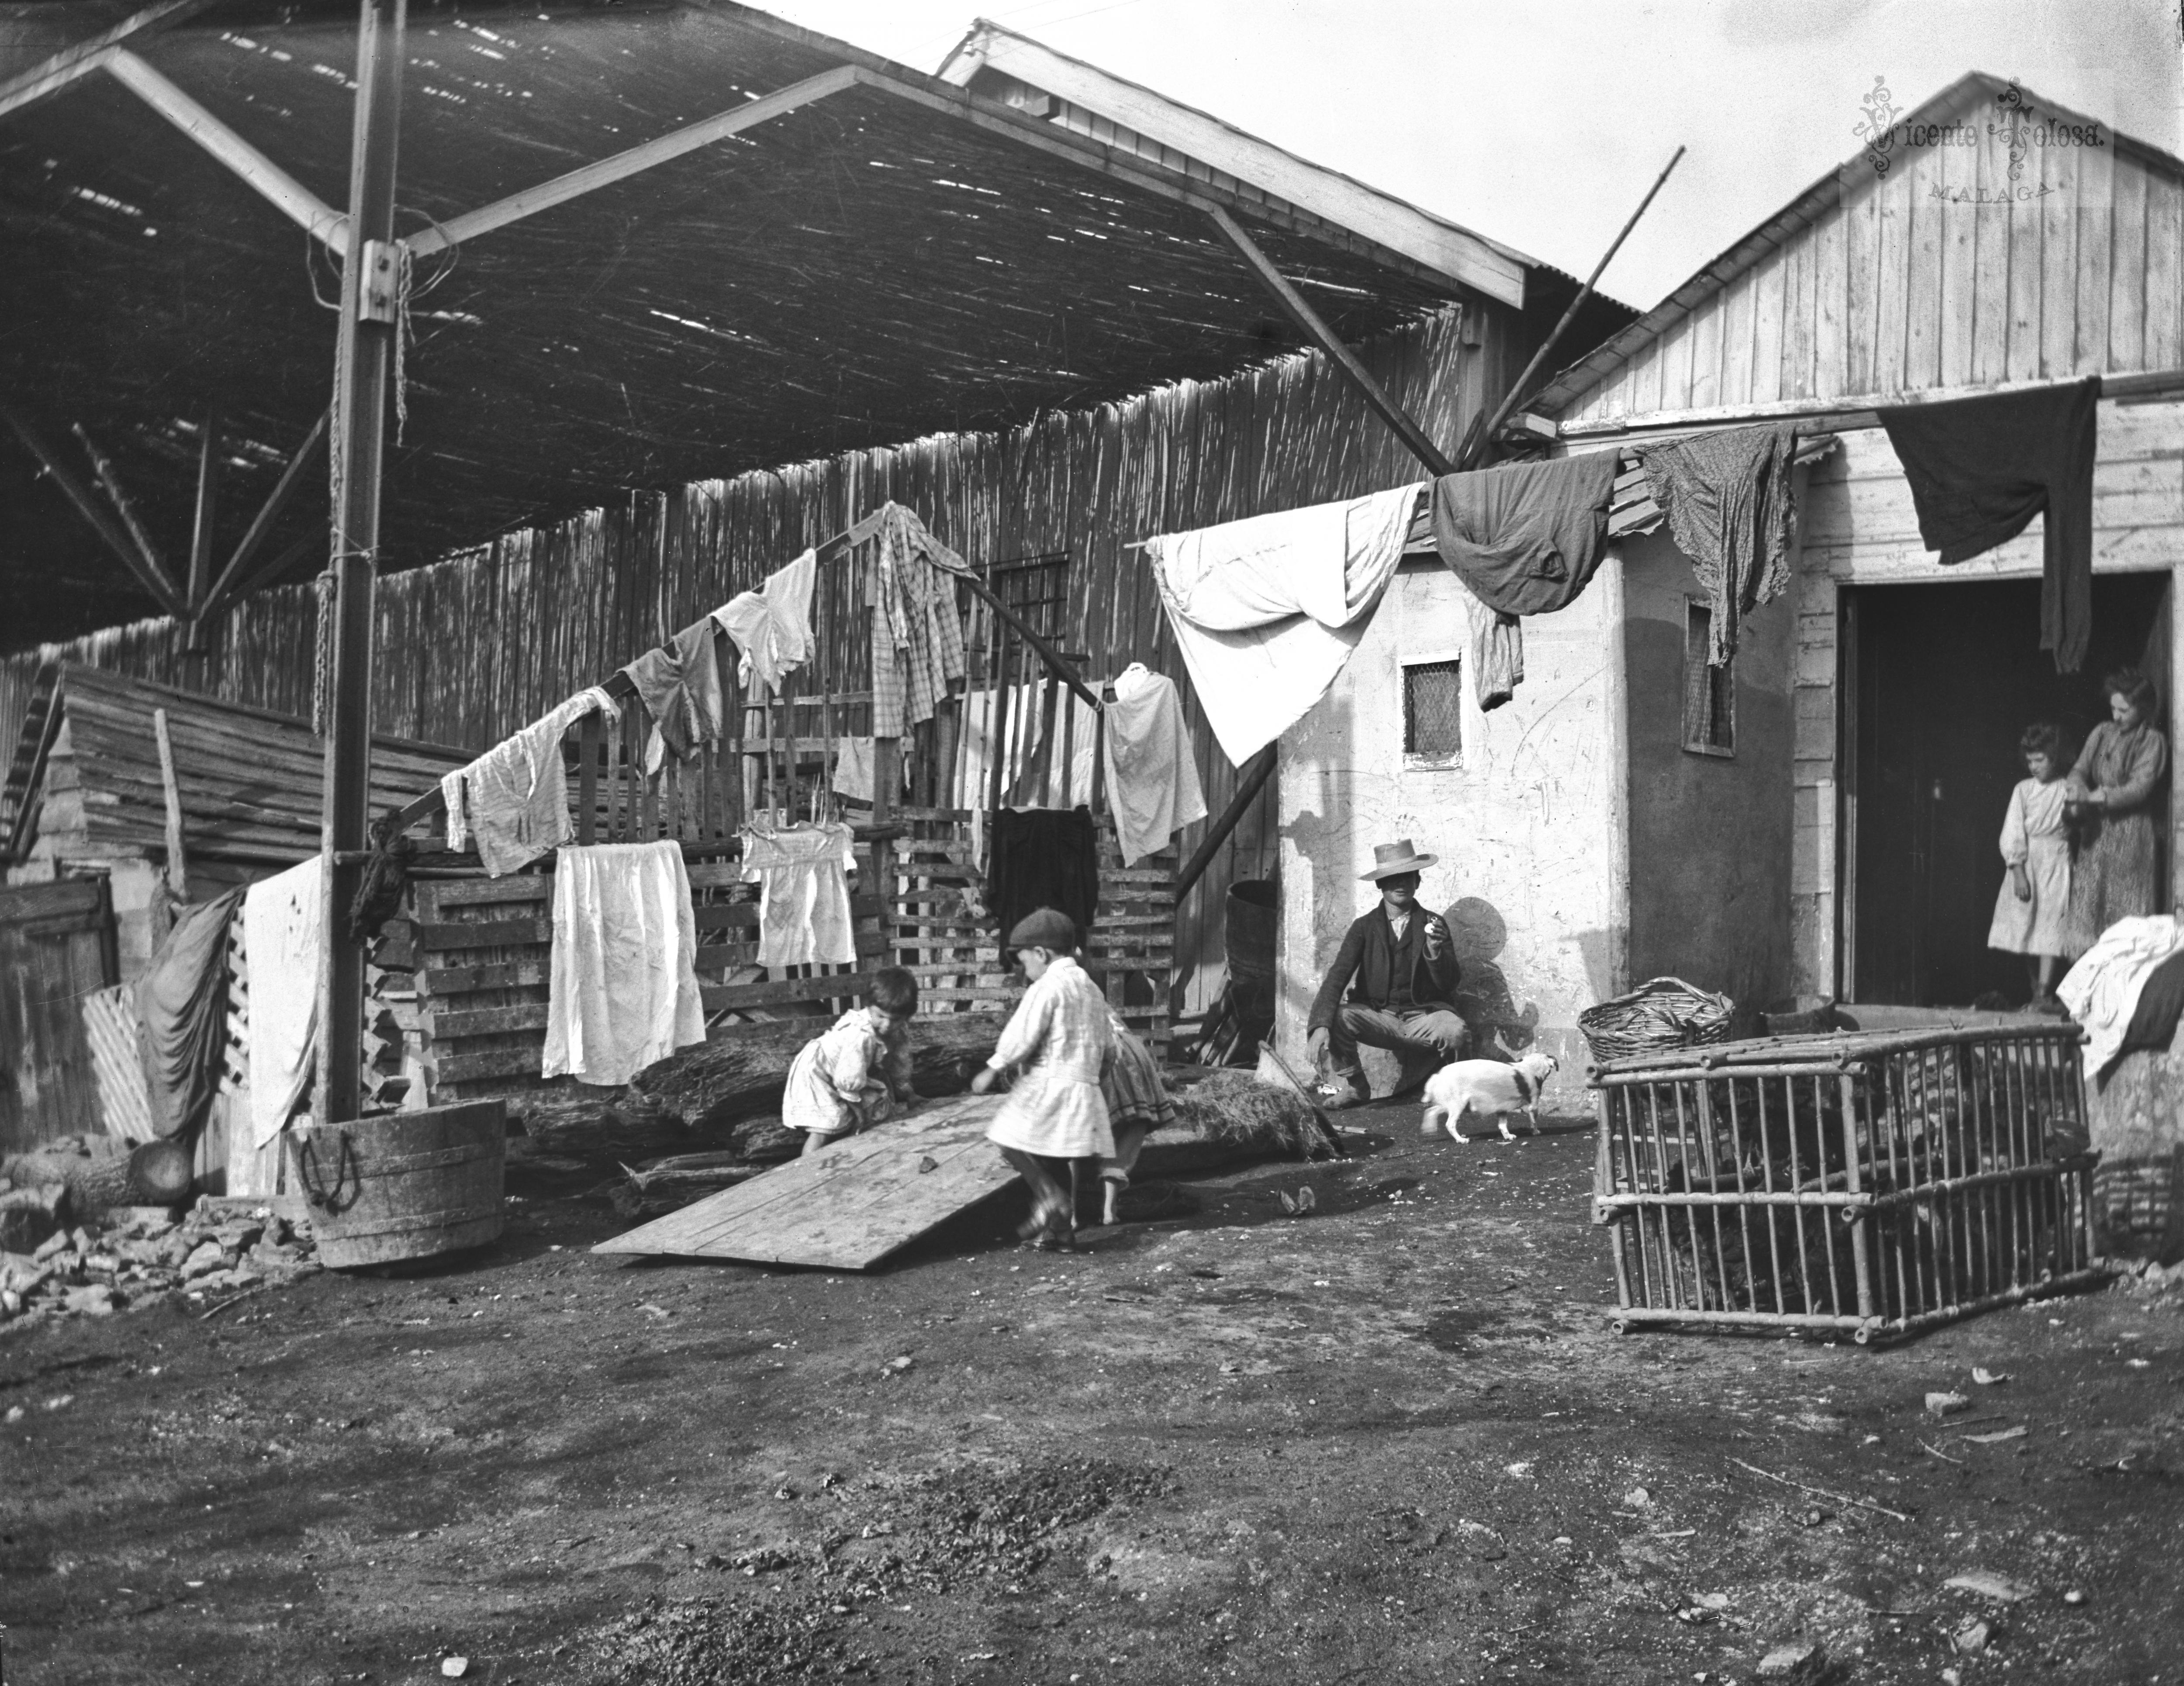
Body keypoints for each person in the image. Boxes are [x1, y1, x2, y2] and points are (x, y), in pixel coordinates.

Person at [971, 907, 1115, 1250]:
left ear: (1041, 954)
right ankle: (1063, 1234)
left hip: (1052, 1080)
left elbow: (1023, 1033)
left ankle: (1052, 1198)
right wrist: (1097, 1079)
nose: (1025, 971)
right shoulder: (1092, 989)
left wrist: (994, 1066)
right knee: (1054, 1156)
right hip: (1084, 1085)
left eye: (1024, 962)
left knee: (1006, 1137)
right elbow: (1110, 1046)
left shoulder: (1048, 987)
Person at [1306, 838, 1469, 1107]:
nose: (1401, 884)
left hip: (1423, 1016)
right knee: (1335, 1016)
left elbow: (1449, 984)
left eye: (1408, 877)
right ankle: (1357, 1087)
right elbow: (1338, 975)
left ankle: (1458, 1092)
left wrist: (1435, 953)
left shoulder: (1435, 924)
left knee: (1455, 1031)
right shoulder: (1364, 927)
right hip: (1379, 1017)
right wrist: (1320, 1025)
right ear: (1380, 885)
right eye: (1393, 879)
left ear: (1418, 882)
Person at [2065, 667, 2169, 954]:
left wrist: (2101, 796)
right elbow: (2079, 770)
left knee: (2125, 909)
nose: (2116, 716)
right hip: (2096, 835)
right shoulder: (2102, 733)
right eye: (2113, 708)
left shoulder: (2152, 741)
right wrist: (2076, 787)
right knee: (2090, 906)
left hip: (2131, 836)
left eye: (2124, 710)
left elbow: (2140, 788)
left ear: (2143, 708)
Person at [1986, 722, 2082, 1007]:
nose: (2034, 766)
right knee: (2027, 929)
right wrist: (2017, 871)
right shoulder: (2024, 790)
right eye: (2030, 761)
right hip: (2028, 864)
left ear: (2055, 757)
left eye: (2040, 760)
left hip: (2057, 862)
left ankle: (2043, 992)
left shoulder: (2068, 787)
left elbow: (2079, 821)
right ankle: (2035, 990)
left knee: (2051, 930)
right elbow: (2013, 830)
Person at [782, 966, 919, 1156]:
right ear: (869, 1007)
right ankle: (807, 1168)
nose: (887, 1025)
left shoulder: (898, 1031)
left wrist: (909, 1093)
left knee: (879, 1104)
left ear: (906, 1017)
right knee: (826, 1125)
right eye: (880, 1016)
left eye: (895, 1020)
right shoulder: (860, 1036)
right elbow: (848, 1080)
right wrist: (859, 1114)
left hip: (846, 1070)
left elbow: (899, 1063)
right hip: (817, 1072)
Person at [1095, 1004, 1176, 1227]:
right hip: (1129, 1054)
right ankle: (1109, 1208)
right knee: (1134, 1126)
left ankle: (1076, 1213)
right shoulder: (1094, 996)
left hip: (1105, 1056)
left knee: (1108, 1131)